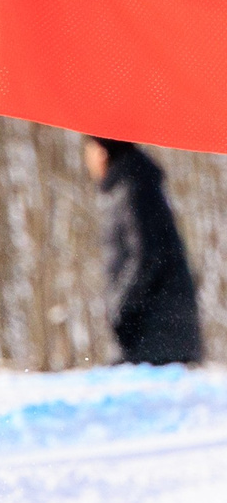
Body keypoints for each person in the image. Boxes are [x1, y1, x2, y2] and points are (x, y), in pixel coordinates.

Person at [85, 138, 205, 366]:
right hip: (153, 332)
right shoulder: (131, 183)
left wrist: (121, 308)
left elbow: (148, 255)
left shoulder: (133, 186)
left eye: (89, 150)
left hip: (153, 333)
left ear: (102, 152)